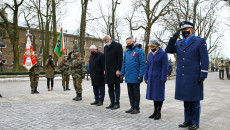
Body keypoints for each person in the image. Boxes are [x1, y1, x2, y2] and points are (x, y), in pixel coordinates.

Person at [165, 21, 209, 130]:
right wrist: (173, 39)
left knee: (194, 100)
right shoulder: (179, 43)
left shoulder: (199, 41)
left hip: (194, 75)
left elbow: (205, 59)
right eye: (182, 30)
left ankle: (195, 122)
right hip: (182, 76)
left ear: (192, 30)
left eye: (186, 29)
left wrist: (203, 73)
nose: (184, 32)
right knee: (186, 100)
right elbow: (168, 50)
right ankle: (187, 120)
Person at [120, 37, 146, 114]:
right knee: (130, 93)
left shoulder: (139, 50)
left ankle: (137, 108)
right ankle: (132, 106)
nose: (128, 45)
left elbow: (142, 63)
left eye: (129, 43)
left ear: (133, 42)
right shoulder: (127, 51)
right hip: (128, 75)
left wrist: (141, 75)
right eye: (127, 43)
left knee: (136, 93)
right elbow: (124, 63)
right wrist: (122, 74)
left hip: (135, 76)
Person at [144, 40, 168, 120]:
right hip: (151, 78)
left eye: (153, 46)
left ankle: (159, 112)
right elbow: (147, 65)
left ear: (157, 46)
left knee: (159, 96)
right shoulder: (150, 54)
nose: (151, 48)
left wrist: (163, 78)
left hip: (159, 78)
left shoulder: (163, 53)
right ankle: (154, 111)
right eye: (150, 47)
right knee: (154, 96)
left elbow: (165, 66)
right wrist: (146, 76)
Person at [104, 35, 123, 110]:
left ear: (110, 39)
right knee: (110, 87)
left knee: (116, 87)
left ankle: (117, 103)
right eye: (105, 43)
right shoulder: (106, 47)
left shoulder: (118, 46)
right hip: (108, 70)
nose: (106, 43)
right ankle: (112, 102)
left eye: (107, 42)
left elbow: (120, 58)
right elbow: (105, 59)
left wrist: (119, 69)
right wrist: (105, 69)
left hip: (115, 70)